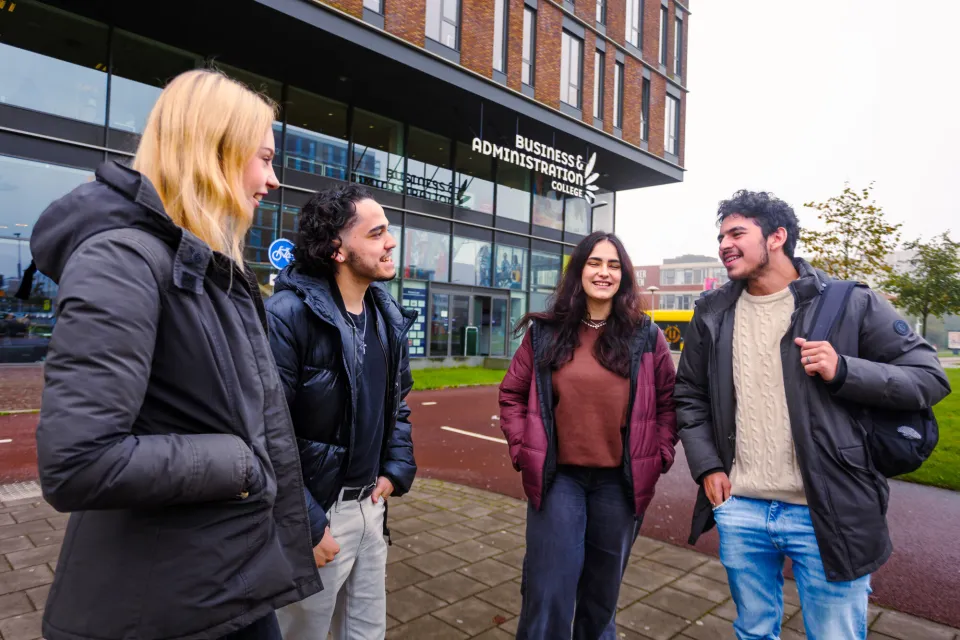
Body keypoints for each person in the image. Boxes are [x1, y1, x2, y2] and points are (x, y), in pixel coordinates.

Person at [23, 69, 321, 640]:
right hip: (166, 609)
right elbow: (78, 462)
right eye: (263, 158)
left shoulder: (205, 268)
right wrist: (240, 464)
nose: (273, 179)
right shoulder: (123, 261)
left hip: (224, 587)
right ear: (216, 151)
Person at [674, 190, 951, 640]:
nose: (724, 244)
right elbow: (689, 394)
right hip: (741, 507)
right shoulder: (713, 311)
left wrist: (844, 370)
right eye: (721, 236)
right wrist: (707, 467)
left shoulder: (849, 302)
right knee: (753, 632)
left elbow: (928, 378)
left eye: (737, 233)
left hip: (828, 510)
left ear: (777, 236)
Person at [499, 231, 678, 640]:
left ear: (624, 276)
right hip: (558, 479)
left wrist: (659, 454)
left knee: (601, 597)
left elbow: (669, 404)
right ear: (579, 270)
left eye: (614, 265)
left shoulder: (646, 336)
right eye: (595, 262)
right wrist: (523, 449)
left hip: (620, 483)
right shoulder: (545, 333)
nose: (604, 272)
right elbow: (511, 394)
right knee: (548, 589)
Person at [266, 185, 417, 639]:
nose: (391, 241)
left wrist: (395, 468)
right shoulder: (286, 315)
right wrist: (307, 524)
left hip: (372, 507)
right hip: (319, 516)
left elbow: (398, 402)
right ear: (337, 248)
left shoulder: (386, 315)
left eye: (388, 231)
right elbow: (266, 432)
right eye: (376, 233)